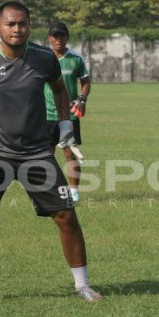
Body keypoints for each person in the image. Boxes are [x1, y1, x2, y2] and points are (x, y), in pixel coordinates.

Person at [0, 1, 103, 303]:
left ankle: (82, 285)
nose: (16, 29)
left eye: (22, 23)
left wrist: (65, 125)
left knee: (66, 215)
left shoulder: (44, 58)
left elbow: (61, 90)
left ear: (28, 25)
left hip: (37, 152)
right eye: (10, 24)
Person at [44, 22, 91, 204]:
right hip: (46, 114)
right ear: (49, 38)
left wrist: (82, 99)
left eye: (61, 35)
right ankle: (50, 190)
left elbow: (85, 82)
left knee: (69, 154)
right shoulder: (43, 58)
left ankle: (73, 191)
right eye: (55, 36)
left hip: (69, 115)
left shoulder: (76, 59)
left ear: (67, 37)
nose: (58, 39)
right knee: (46, 154)